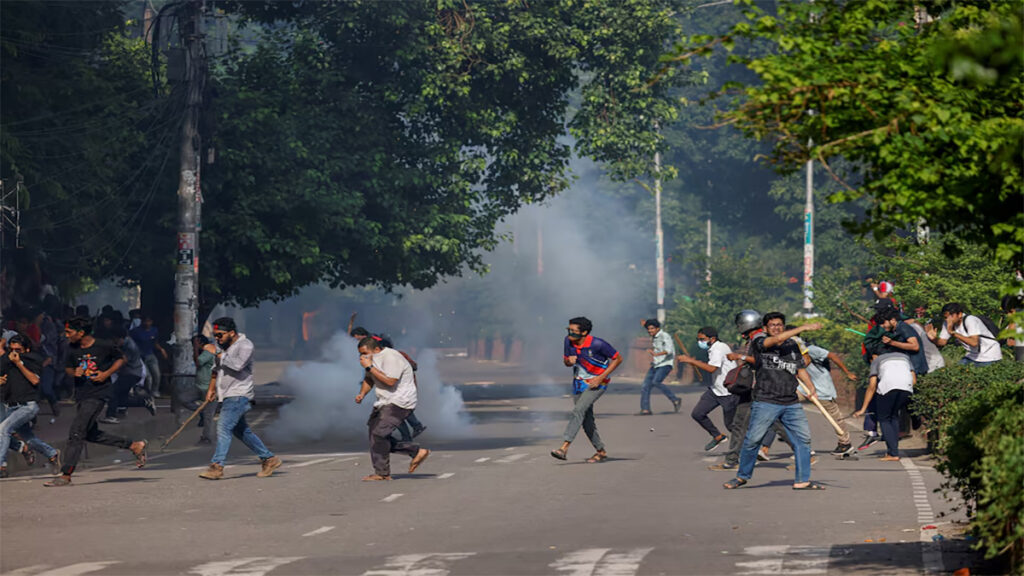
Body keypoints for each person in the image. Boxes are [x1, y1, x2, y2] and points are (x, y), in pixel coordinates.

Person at [723, 313, 823, 491]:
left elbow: (800, 369)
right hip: (766, 400)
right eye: (772, 325)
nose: (776, 328)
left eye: (779, 325)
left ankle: (802, 480)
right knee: (753, 440)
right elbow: (775, 340)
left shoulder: (791, 344)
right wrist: (803, 328)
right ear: (765, 328)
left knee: (803, 440)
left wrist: (811, 388)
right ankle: (742, 476)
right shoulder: (760, 341)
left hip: (791, 402)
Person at [45, 317, 148, 487]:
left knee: (76, 431)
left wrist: (106, 374)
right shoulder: (71, 348)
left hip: (98, 394)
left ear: (81, 333)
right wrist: (74, 372)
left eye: (69, 332)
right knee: (90, 434)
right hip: (81, 395)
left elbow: (121, 359)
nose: (66, 335)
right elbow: (68, 368)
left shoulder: (103, 345)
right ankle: (134, 445)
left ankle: (65, 474)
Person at [199, 317, 281, 480]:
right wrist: (211, 390)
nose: (217, 338)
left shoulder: (245, 345)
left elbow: (237, 365)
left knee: (223, 427)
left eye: (220, 335)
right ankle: (268, 458)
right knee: (241, 431)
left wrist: (218, 353)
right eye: (215, 335)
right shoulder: (223, 348)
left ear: (231, 333)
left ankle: (217, 466)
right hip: (226, 395)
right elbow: (215, 370)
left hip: (239, 394)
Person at [354, 336, 430, 481]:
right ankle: (414, 452)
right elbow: (369, 379)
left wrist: (369, 367)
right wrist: (362, 394)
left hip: (400, 401)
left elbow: (390, 381)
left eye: (365, 353)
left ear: (376, 349)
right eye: (360, 354)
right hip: (385, 401)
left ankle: (383, 473)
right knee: (375, 436)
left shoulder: (391, 357)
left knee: (379, 434)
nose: (362, 357)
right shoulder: (372, 361)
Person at [550, 317, 622, 463]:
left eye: (573, 331)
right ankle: (601, 451)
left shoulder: (598, 344)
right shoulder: (568, 341)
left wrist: (601, 378)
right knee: (586, 420)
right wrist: (568, 361)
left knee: (578, 411)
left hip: (597, 384)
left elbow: (618, 359)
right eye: (569, 330)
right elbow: (566, 362)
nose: (570, 333)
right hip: (578, 384)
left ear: (584, 332)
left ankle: (564, 448)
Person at [350, 319, 426, 439]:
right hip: (392, 392)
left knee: (396, 411)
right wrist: (363, 391)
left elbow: (390, 380)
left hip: (398, 388)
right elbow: (370, 376)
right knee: (393, 413)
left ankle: (410, 434)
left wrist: (371, 369)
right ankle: (411, 433)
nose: (362, 356)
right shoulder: (373, 354)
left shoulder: (384, 352)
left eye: (356, 338)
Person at [0, 335, 61, 478]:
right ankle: (51, 453)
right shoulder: (6, 361)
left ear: (26, 349)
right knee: (28, 438)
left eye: (18, 350)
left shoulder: (32, 359)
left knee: (3, 429)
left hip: (27, 405)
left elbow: (34, 380)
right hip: (11, 405)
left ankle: (1, 465)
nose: (14, 353)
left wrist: (19, 363)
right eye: (12, 349)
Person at [678, 326, 736, 452]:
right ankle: (717, 436)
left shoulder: (718, 349)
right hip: (716, 390)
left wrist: (690, 360)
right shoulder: (713, 349)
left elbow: (711, 368)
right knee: (698, 413)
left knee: (732, 425)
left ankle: (746, 450)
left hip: (728, 392)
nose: (700, 342)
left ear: (712, 339)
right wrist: (693, 362)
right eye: (698, 339)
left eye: (702, 339)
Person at [795, 336, 857, 454]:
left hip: (821, 389)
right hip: (802, 388)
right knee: (783, 407)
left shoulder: (811, 349)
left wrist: (847, 372)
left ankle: (845, 443)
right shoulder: (789, 352)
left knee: (834, 417)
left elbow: (832, 356)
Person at [853, 353, 915, 461]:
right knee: (894, 416)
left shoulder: (876, 361)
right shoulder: (904, 357)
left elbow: (872, 386)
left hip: (888, 387)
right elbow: (914, 380)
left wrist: (862, 409)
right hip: (907, 387)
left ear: (873, 357)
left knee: (884, 419)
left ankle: (893, 453)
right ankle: (893, 451)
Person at [100, 327, 156, 424]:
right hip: (129, 373)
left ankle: (110, 415)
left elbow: (123, 360)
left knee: (113, 392)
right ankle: (144, 402)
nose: (114, 342)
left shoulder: (129, 346)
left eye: (115, 340)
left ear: (120, 338)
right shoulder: (126, 343)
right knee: (122, 398)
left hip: (131, 373)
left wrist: (109, 368)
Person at [925, 303, 1002, 366]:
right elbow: (942, 342)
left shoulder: (970, 320)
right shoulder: (947, 323)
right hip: (972, 356)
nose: (948, 319)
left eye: (951, 316)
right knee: (955, 373)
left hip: (990, 355)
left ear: (959, 314)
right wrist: (934, 339)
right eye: (946, 317)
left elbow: (974, 343)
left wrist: (953, 333)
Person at [637, 319, 681, 415]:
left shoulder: (664, 336)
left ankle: (675, 399)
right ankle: (645, 409)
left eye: (652, 329)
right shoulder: (654, 336)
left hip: (665, 364)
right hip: (656, 364)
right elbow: (649, 328)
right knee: (645, 386)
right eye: (648, 329)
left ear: (657, 328)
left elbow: (669, 350)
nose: (650, 331)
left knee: (656, 382)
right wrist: (645, 324)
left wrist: (656, 354)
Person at [181, 335, 216, 445]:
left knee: (208, 416)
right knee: (184, 399)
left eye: (194, 344)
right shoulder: (204, 352)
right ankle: (201, 411)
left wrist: (196, 349)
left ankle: (206, 437)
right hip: (199, 387)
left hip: (209, 388)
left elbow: (198, 362)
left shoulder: (208, 352)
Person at [130, 314, 168, 397]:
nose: (147, 323)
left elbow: (155, 342)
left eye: (149, 321)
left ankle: (155, 391)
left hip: (150, 354)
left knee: (157, 374)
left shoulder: (154, 330)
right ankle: (148, 392)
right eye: (146, 321)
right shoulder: (135, 331)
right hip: (140, 356)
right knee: (148, 377)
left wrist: (161, 350)